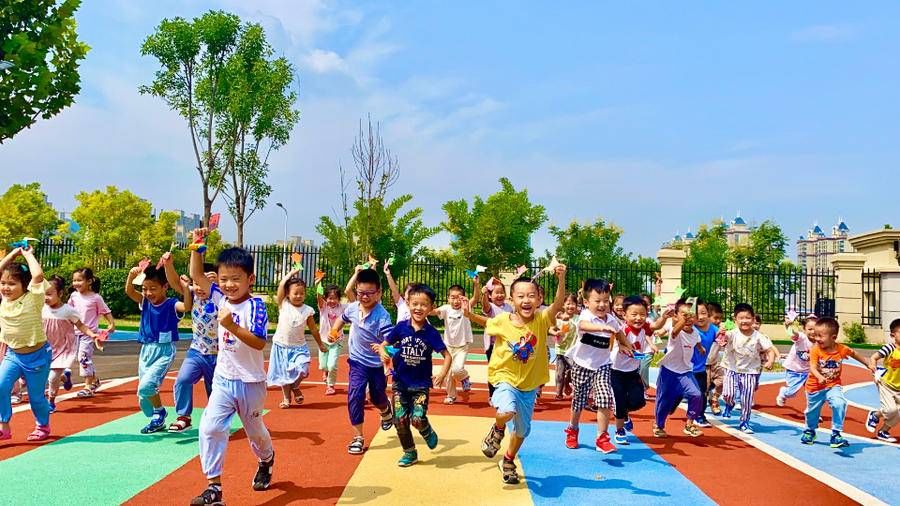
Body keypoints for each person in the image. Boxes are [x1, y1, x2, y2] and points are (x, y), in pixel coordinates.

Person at [190, 237, 275, 505]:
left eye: (235, 279)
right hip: (224, 380)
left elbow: (260, 341)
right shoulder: (218, 297)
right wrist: (197, 248)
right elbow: (196, 275)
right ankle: (214, 487)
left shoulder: (257, 306)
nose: (229, 285)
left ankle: (266, 458)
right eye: (224, 279)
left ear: (250, 279)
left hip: (251, 383)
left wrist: (232, 327)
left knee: (255, 431)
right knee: (210, 427)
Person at [472, 264, 567, 485]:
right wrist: (468, 314)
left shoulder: (543, 320)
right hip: (504, 378)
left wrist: (561, 280)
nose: (526, 300)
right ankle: (497, 430)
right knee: (506, 410)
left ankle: (508, 460)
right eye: (521, 296)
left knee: (523, 431)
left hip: (529, 385)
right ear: (512, 300)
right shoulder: (504, 320)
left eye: (531, 296)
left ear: (538, 299)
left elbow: (558, 304)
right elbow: (487, 322)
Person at [373, 283, 451, 466]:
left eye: (424, 304)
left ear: (431, 308)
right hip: (400, 383)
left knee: (417, 418)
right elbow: (384, 344)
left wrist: (442, 373)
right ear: (408, 303)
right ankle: (410, 452)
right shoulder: (401, 327)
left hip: (421, 386)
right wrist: (383, 352)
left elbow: (447, 355)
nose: (419, 308)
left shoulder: (431, 333)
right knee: (399, 419)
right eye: (415, 303)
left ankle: (426, 430)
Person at [328, 268, 395, 456]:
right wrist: (334, 332)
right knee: (355, 395)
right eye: (360, 293)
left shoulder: (382, 316)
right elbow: (341, 320)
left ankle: (385, 410)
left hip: (375, 365)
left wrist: (382, 347)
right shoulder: (352, 308)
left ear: (379, 293)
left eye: (369, 293)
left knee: (376, 396)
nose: (364, 297)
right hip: (357, 362)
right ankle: (358, 437)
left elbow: (390, 341)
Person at [124, 253, 192, 434]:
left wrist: (186, 289)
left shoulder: (171, 304)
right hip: (146, 350)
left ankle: (159, 412)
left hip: (164, 351)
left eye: (153, 288)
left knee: (146, 386)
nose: (148, 293)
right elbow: (130, 292)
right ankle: (158, 412)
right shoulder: (145, 302)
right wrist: (131, 276)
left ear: (165, 287)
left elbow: (186, 307)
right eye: (145, 289)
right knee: (143, 393)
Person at [564, 279, 634, 453]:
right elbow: (583, 325)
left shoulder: (611, 320)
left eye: (605, 300)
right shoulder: (586, 316)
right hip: (582, 365)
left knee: (604, 397)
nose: (602, 305)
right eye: (597, 301)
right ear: (587, 302)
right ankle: (572, 429)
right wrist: (601, 327)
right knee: (579, 402)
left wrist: (625, 345)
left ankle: (602, 437)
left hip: (602, 365)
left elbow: (619, 333)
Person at [0, 247, 53, 442]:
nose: (6, 287)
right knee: (0, 386)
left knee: (36, 397)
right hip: (13, 355)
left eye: (12, 284)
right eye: (3, 283)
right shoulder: (3, 300)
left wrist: (27, 254)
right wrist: (12, 255)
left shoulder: (33, 298)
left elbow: (38, 275)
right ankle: (4, 426)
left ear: (24, 285)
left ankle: (43, 425)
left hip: (37, 355)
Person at [801, 317, 874, 448]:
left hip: (833, 385)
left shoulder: (841, 349)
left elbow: (854, 353)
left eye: (820, 336)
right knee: (812, 412)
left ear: (833, 337)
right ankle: (810, 430)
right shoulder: (815, 350)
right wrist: (819, 376)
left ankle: (836, 433)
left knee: (839, 403)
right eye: (815, 335)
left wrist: (868, 364)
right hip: (814, 387)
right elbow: (812, 367)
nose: (816, 338)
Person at [170, 263, 221, 433]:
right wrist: (169, 265)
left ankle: (217, 421)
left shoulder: (221, 298)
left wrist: (216, 284)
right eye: (196, 282)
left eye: (205, 283)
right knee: (182, 380)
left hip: (219, 355)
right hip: (197, 351)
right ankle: (184, 416)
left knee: (214, 391)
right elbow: (175, 283)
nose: (199, 287)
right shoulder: (193, 295)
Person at [611, 296, 667, 444]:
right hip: (616, 371)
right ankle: (619, 429)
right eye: (634, 314)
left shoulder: (644, 328)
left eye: (642, 314)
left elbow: (655, 326)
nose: (638, 318)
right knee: (619, 400)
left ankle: (624, 414)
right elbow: (617, 341)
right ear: (624, 315)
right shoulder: (622, 330)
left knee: (639, 401)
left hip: (632, 372)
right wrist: (623, 348)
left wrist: (664, 317)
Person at [267, 270, 326, 408]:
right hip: (281, 346)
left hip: (299, 347)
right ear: (288, 294)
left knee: (303, 369)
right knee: (284, 375)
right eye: (295, 293)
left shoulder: (307, 310)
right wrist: (292, 273)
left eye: (302, 293)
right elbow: (282, 284)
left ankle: (295, 386)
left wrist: (320, 345)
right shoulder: (283, 304)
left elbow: (313, 329)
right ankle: (287, 399)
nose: (299, 296)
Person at [716, 303, 776, 433]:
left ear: (753, 319)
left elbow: (770, 350)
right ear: (735, 320)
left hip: (750, 371)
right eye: (741, 318)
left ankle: (744, 422)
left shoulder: (759, 337)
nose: (744, 321)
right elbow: (723, 338)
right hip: (731, 368)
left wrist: (770, 360)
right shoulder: (732, 333)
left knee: (746, 398)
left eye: (748, 318)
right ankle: (729, 403)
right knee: (728, 394)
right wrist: (722, 335)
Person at [42, 275, 99, 413]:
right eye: (44, 294)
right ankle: (64, 376)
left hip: (63, 349)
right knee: (44, 375)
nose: (46, 297)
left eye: (49, 294)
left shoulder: (67, 310)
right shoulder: (41, 307)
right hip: (44, 348)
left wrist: (92, 334)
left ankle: (51, 401)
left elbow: (80, 325)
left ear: (60, 294)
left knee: (52, 377)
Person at [653, 299, 705, 438]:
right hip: (668, 371)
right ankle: (659, 425)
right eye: (684, 314)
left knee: (696, 394)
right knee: (664, 400)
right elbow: (675, 332)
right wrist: (682, 321)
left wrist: (700, 348)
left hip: (685, 371)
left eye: (691, 315)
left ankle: (689, 424)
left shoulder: (695, 333)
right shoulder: (675, 330)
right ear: (675, 316)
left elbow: (697, 341)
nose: (688, 318)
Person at [69, 267, 115, 397]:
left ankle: (88, 386)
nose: (76, 283)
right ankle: (94, 380)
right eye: (74, 280)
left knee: (83, 358)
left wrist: (111, 323)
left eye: (79, 280)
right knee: (78, 359)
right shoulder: (73, 296)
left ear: (89, 281)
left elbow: (106, 311)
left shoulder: (96, 298)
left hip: (89, 334)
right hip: (75, 333)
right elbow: (68, 311)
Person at [433, 282, 478, 404]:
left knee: (457, 370)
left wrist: (476, 285)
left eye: (459, 297)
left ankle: (465, 377)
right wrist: (425, 307)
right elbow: (434, 312)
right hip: (448, 346)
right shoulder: (446, 309)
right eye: (452, 297)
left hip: (462, 345)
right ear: (448, 298)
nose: (456, 300)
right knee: (449, 373)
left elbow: (476, 298)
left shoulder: (466, 308)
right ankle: (451, 395)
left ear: (463, 298)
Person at [866, 318, 900, 443]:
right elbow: (874, 357)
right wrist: (873, 366)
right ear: (893, 335)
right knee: (891, 410)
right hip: (887, 384)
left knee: (898, 413)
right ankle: (874, 415)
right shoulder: (890, 348)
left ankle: (883, 431)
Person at [480, 278, 513, 399]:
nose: (499, 295)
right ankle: (492, 395)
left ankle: (505, 392)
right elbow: (485, 306)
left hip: (506, 345)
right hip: (492, 346)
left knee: (506, 370)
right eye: (496, 292)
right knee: (493, 369)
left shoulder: (509, 308)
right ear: (490, 295)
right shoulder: (491, 307)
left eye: (502, 292)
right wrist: (483, 294)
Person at [776, 314, 817, 408]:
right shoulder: (802, 337)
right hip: (794, 370)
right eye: (810, 329)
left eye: (815, 329)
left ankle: (812, 412)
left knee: (813, 391)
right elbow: (794, 333)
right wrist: (788, 326)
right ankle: (784, 392)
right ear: (804, 329)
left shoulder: (819, 341)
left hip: (808, 371)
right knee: (791, 393)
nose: (813, 332)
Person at [690, 300, 718, 428]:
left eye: (703, 313)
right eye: (696, 314)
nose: (700, 317)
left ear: (708, 314)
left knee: (701, 393)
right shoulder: (689, 328)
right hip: (683, 368)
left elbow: (724, 339)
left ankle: (699, 416)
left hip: (700, 369)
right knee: (675, 395)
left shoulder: (714, 329)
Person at [317, 284, 347, 395]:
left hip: (337, 341)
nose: (332, 301)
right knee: (323, 365)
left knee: (332, 365)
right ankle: (325, 371)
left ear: (339, 299)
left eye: (335, 298)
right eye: (330, 298)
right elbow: (319, 299)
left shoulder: (343, 308)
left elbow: (354, 305)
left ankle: (330, 385)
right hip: (324, 340)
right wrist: (318, 285)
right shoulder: (323, 307)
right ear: (326, 298)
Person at [551, 293, 579, 399]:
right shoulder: (558, 317)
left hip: (573, 351)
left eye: (573, 304)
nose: (570, 306)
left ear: (576, 305)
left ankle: (568, 382)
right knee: (559, 373)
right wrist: (556, 333)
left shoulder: (578, 319)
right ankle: (558, 393)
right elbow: (553, 329)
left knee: (575, 371)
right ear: (563, 305)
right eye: (568, 304)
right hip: (560, 350)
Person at [705, 302, 726, 414]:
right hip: (704, 364)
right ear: (707, 317)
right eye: (715, 318)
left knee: (724, 380)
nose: (718, 321)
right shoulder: (706, 331)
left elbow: (724, 343)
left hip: (715, 362)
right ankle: (703, 404)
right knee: (705, 386)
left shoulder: (721, 331)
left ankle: (714, 398)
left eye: (720, 318)